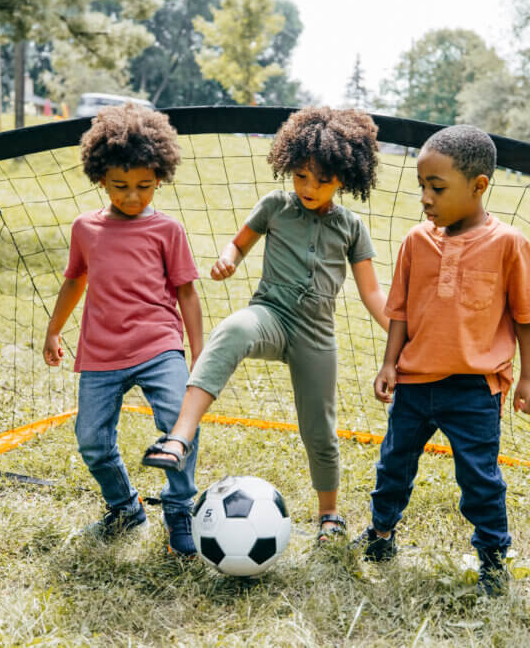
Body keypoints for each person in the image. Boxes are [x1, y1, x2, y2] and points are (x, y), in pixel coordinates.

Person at [141, 107, 389, 543]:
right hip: (269, 315)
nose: (309, 188)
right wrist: (227, 260)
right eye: (300, 176)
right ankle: (178, 437)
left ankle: (329, 513)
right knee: (234, 329)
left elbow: (371, 293)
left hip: (316, 333)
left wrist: (399, 335)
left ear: (346, 178)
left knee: (320, 428)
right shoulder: (276, 205)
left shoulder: (352, 227)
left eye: (322, 179)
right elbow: (238, 245)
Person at [353, 125, 530, 596]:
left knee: (480, 480)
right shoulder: (416, 242)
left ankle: (494, 561)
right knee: (393, 465)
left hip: (475, 390)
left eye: (437, 188)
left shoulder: (508, 243)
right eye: (422, 186)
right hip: (415, 384)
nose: (425, 198)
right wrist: (388, 364)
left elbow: (527, 317)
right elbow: (398, 312)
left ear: (479, 186)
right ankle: (380, 535)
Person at [43, 104, 204, 556]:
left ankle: (178, 510)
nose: (133, 197)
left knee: (179, 425)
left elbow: (187, 293)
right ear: (100, 178)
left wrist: (199, 351)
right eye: (120, 187)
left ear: (160, 177)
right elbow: (75, 280)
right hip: (100, 353)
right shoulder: (86, 229)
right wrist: (54, 330)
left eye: (144, 187)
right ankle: (124, 507)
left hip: (159, 345)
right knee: (92, 441)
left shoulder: (168, 230)